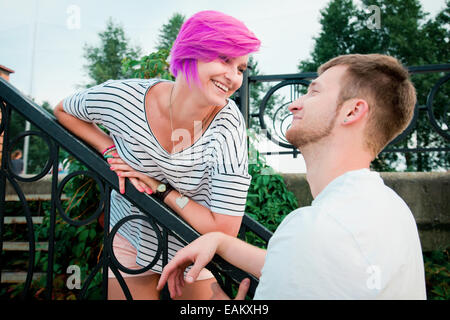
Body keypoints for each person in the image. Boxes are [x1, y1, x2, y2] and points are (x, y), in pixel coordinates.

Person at [157, 54, 427, 300]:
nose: (294, 106)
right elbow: (311, 265)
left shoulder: (315, 226)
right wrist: (222, 242)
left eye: (314, 92)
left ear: (352, 111)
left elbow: (312, 249)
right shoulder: (392, 209)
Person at [53, 10, 260, 300]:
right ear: (191, 52)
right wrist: (109, 149)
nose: (234, 77)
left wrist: (159, 188)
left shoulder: (228, 124)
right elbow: (64, 110)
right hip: (130, 235)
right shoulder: (123, 98)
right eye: (224, 59)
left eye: (241, 68)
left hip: (188, 247)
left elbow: (224, 229)